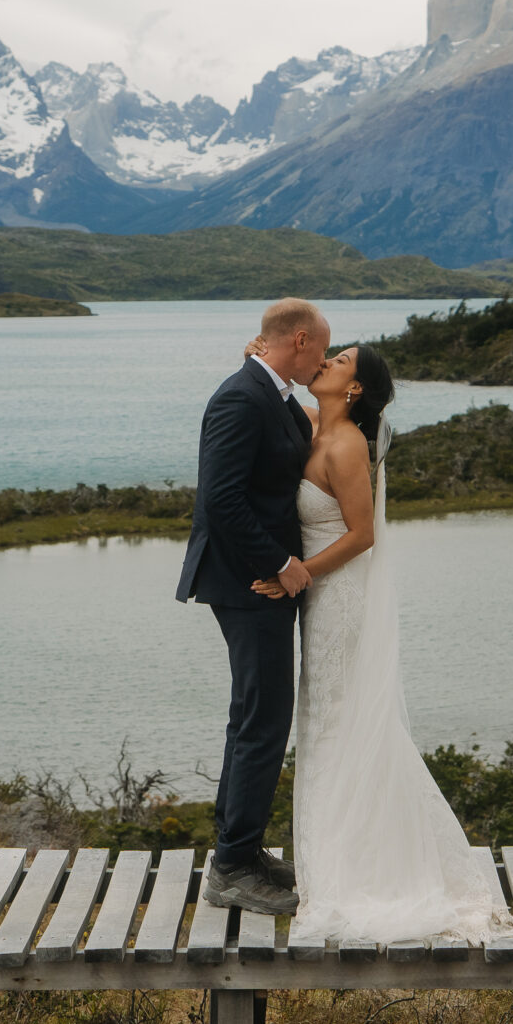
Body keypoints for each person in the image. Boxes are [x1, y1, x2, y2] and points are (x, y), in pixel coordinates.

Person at [251, 342, 513, 946]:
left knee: (339, 720)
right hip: (323, 596)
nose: (326, 361)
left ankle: (356, 866)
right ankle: (335, 857)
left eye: (339, 360)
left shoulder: (345, 445)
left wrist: (302, 572)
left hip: (339, 597)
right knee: (328, 719)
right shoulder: (320, 424)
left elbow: (364, 534)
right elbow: (283, 395)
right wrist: (260, 359)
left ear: (355, 388)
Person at [175, 297, 328, 918]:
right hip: (248, 585)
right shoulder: (241, 397)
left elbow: (301, 437)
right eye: (320, 347)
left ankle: (239, 849)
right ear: (297, 340)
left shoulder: (274, 391)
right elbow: (221, 501)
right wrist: (281, 566)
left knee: (254, 717)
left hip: (257, 581)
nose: (322, 358)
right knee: (262, 721)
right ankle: (233, 866)